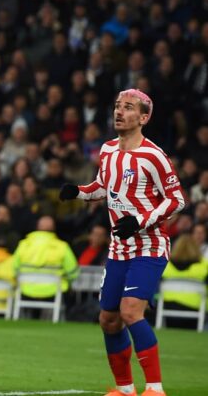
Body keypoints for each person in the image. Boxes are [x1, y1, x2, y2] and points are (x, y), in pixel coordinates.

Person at [59, 89, 186, 396]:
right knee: (108, 319)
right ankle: (124, 389)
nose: (119, 111)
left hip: (150, 245)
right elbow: (103, 186)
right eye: (117, 106)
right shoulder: (107, 150)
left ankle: (155, 389)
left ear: (144, 117)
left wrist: (141, 221)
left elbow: (177, 199)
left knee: (131, 312)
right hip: (119, 248)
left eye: (128, 108)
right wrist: (78, 192)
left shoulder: (154, 156)